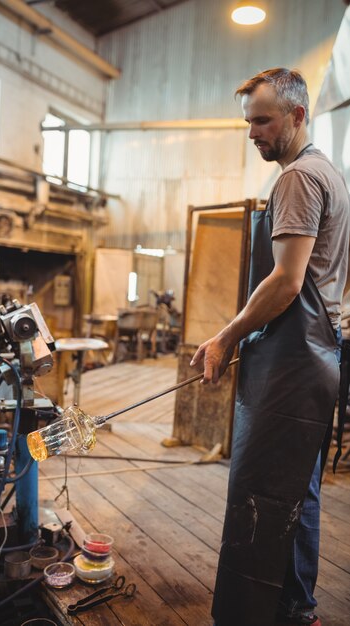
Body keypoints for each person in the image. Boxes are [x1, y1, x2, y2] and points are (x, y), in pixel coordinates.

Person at [190, 68, 350, 626]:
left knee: (264, 490)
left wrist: (226, 335)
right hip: (313, 357)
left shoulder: (298, 180)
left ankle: (263, 612)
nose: (253, 132)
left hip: (293, 361)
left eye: (263, 120)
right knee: (296, 491)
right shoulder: (330, 173)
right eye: (248, 122)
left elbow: (286, 281)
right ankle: (298, 608)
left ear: (298, 115)